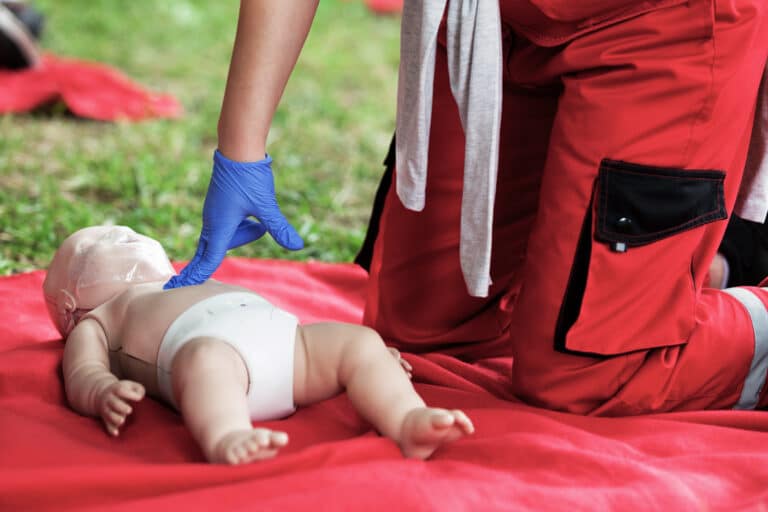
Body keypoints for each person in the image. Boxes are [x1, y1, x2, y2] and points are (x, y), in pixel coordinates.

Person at [168, 1, 768, 416]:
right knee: (420, 336)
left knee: (585, 375)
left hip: (660, 25)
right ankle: (660, 273)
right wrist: (241, 154)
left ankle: (728, 297)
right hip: (490, 24)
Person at [43, 225, 474, 465]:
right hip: (216, 358)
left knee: (358, 342)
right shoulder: (94, 320)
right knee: (205, 362)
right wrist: (102, 392)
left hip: (290, 345)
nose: (116, 238)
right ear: (68, 304)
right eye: (91, 245)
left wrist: (375, 361)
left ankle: (406, 418)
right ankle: (228, 435)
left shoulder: (178, 280)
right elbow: (82, 373)